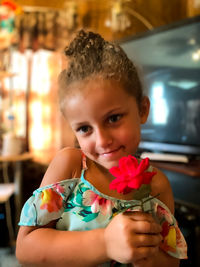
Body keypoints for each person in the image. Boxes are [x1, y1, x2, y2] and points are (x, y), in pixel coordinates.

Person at [16, 29, 187, 267]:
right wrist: (106, 242)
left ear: (142, 110)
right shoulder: (71, 166)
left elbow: (171, 261)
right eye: (85, 128)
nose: (102, 140)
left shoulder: (156, 186)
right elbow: (26, 248)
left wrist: (145, 254)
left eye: (114, 118)